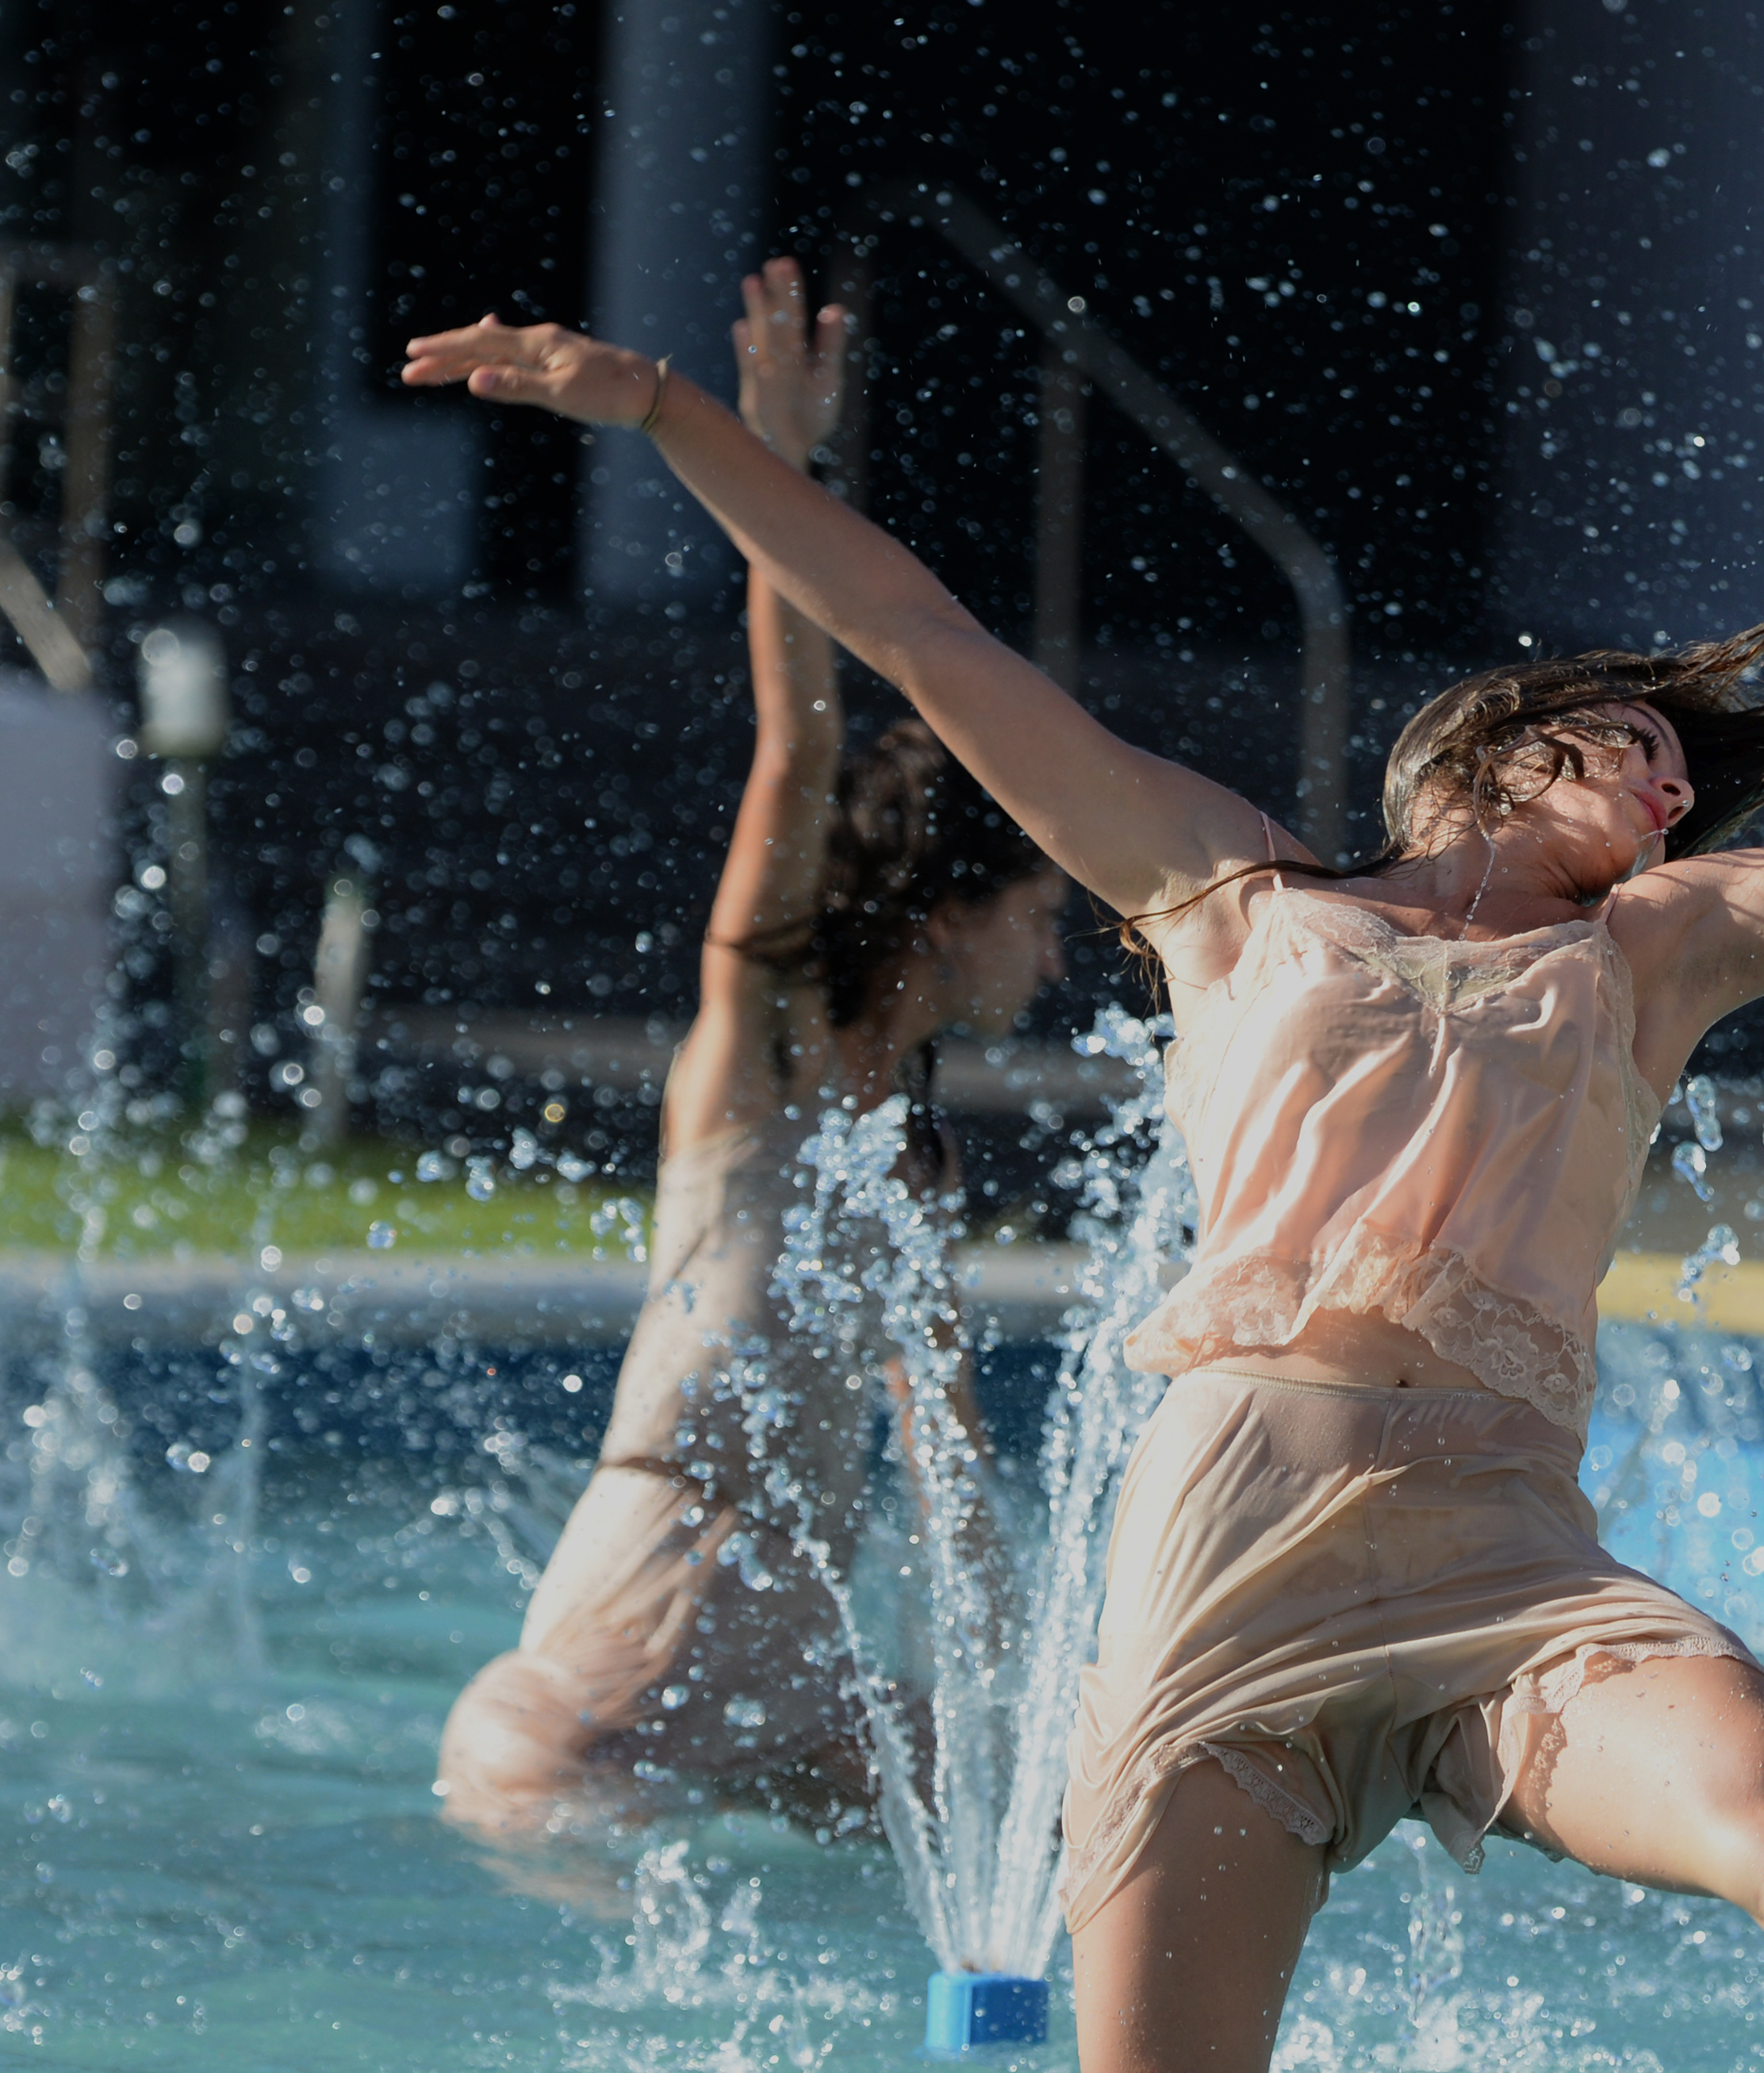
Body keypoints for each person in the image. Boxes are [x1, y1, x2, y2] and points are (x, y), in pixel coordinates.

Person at [404, 265, 1764, 2073]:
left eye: (1683, 782)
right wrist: (661, 409)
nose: (1676, 792)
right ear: (1495, 746)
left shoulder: (1657, 957)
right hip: (1223, 1580)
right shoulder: (1234, 895)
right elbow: (917, 630)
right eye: (1638, 748)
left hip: (1513, 1573)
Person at [435, 269, 1070, 1841]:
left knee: (1091, 1819)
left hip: (795, 1709)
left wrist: (1016, 1721)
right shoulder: (760, 1059)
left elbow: (948, 1470)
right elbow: (796, 738)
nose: (1056, 957)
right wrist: (767, 466)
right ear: (946, 913)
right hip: (594, 1701)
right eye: (1035, 916)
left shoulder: (912, 1155)